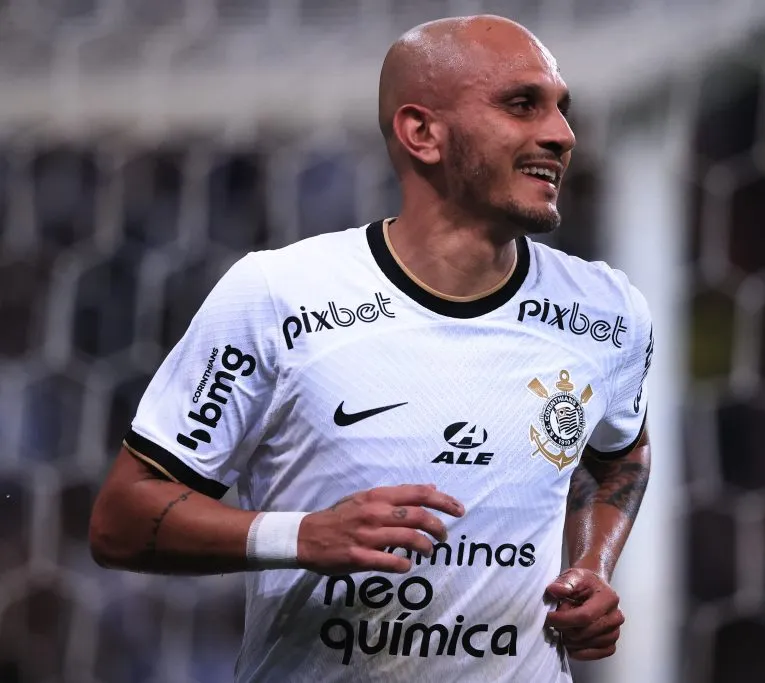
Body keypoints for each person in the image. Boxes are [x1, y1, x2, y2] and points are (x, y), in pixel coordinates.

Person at [89, 14, 653, 682]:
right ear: (422, 133)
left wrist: (589, 564)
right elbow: (122, 518)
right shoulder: (279, 296)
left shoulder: (607, 311)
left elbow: (620, 452)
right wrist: (301, 535)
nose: (561, 135)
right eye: (522, 105)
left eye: (562, 109)